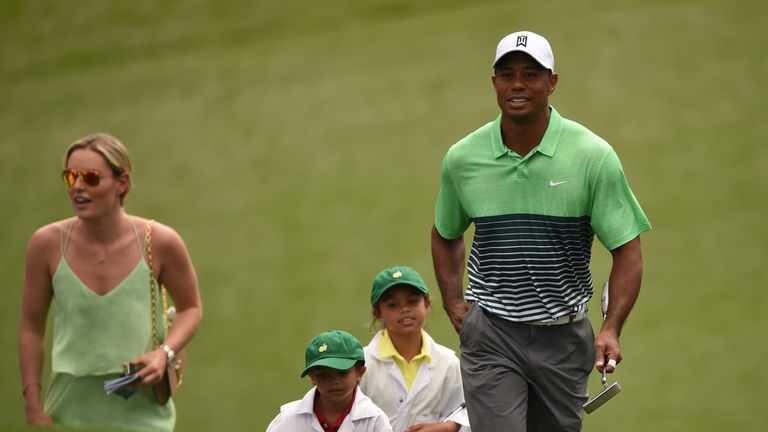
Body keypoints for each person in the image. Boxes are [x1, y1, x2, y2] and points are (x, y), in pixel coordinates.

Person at [430, 31, 651, 431]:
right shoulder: (463, 159)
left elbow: (627, 249)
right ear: (494, 82)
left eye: (531, 74)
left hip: (564, 337)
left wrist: (612, 327)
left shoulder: (592, 156)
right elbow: (445, 233)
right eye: (507, 74)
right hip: (492, 332)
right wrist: (453, 301)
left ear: (552, 82)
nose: (518, 84)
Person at [18, 133, 203, 430]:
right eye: (70, 176)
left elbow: (191, 309)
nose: (77, 186)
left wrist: (163, 354)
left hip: (143, 414)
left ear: (122, 183)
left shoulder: (161, 241)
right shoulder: (45, 245)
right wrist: (32, 401)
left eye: (90, 177)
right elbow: (30, 328)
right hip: (67, 411)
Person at [360, 266, 470, 432]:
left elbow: (464, 413)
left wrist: (446, 427)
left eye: (412, 301)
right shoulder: (361, 363)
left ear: (426, 304)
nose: (404, 309)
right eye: (392, 305)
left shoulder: (448, 363)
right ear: (378, 313)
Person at [267, 330, 393, 432]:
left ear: (359, 373)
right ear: (312, 377)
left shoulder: (374, 420)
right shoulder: (287, 420)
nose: (334, 381)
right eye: (324, 375)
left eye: (342, 373)